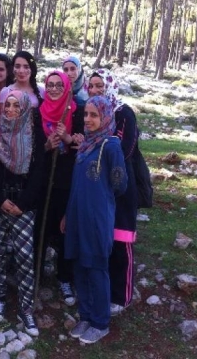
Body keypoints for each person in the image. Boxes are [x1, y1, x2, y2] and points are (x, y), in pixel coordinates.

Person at [63, 95, 127, 345]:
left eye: (94, 115)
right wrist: (68, 214)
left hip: (97, 218)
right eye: (86, 114)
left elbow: (120, 184)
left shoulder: (110, 146)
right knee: (80, 265)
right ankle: (86, 316)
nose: (88, 119)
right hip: (77, 215)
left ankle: (100, 322)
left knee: (97, 267)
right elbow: (77, 184)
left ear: (105, 117)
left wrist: (99, 201)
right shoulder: (86, 145)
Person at [0, 90, 46, 336]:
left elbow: (38, 174)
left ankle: (26, 308)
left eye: (16, 106)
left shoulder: (35, 137)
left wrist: (23, 203)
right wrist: (0, 201)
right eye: (7, 105)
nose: (10, 110)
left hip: (23, 205)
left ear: (25, 109)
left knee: (24, 256)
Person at [89, 69, 139, 316]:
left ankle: (122, 296)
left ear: (109, 86)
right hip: (98, 187)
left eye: (100, 85)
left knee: (121, 240)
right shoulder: (92, 112)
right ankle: (103, 290)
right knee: (102, 240)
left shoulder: (123, 113)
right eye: (91, 86)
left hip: (121, 186)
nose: (95, 90)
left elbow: (125, 150)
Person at [37, 71, 84, 306]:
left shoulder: (76, 112)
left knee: (66, 230)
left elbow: (83, 146)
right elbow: (33, 147)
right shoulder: (38, 111)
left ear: (66, 88)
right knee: (41, 228)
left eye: (59, 85)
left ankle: (64, 277)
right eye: (50, 85)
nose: (54, 89)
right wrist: (47, 146)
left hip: (68, 180)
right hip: (43, 180)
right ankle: (35, 275)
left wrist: (68, 139)